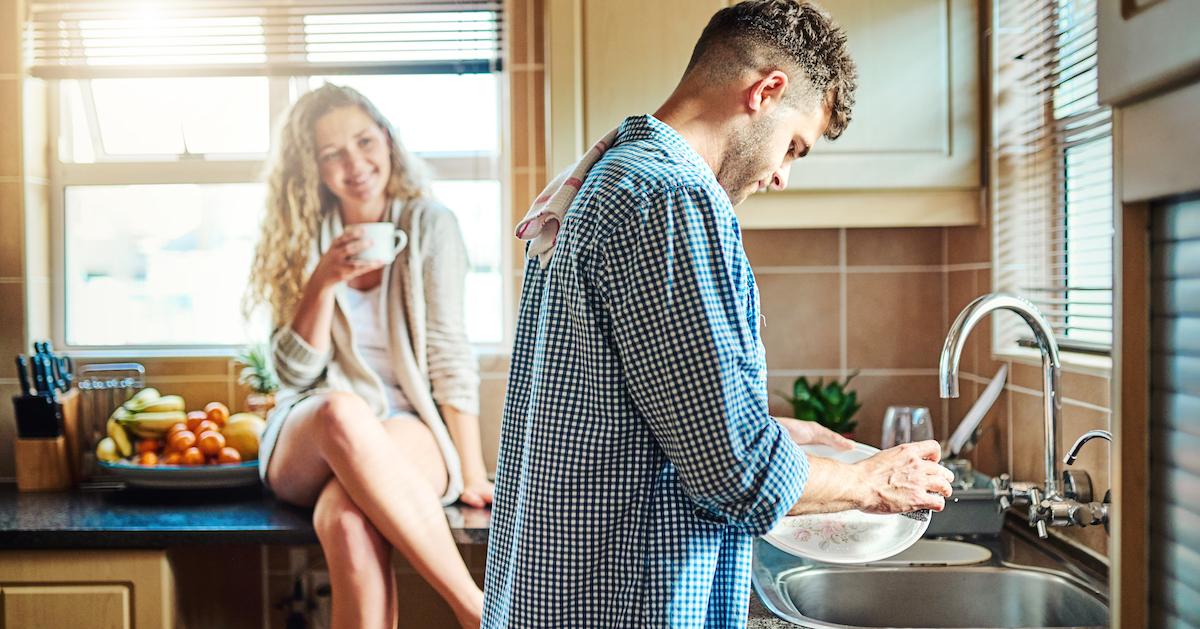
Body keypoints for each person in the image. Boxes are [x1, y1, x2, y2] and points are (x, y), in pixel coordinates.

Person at [483, 1, 955, 627]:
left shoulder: (608, 176)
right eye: (794, 146)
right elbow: (734, 471)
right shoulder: (672, 198)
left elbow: (627, 420)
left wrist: (771, 433)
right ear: (766, 90)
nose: (783, 175)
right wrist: (871, 481)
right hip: (627, 604)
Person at [246, 84, 491, 629]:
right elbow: (291, 373)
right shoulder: (301, 236)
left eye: (363, 141)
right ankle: (476, 609)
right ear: (313, 168)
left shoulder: (431, 225)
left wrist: (472, 470)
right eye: (332, 153)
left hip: (408, 423)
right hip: (308, 433)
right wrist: (322, 281)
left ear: (387, 139)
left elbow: (450, 353)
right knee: (339, 409)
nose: (354, 163)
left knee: (347, 521)